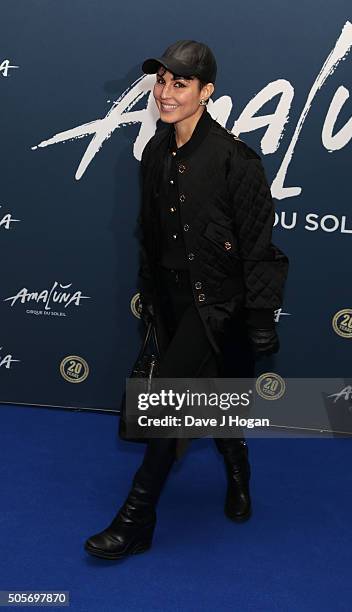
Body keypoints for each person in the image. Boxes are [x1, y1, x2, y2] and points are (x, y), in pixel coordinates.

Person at [84, 40, 289, 560]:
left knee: (171, 405)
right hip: (171, 302)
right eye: (161, 82)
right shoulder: (155, 151)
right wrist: (151, 297)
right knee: (209, 398)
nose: (166, 93)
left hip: (217, 304)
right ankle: (237, 465)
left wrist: (261, 316)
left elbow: (259, 246)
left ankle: (135, 519)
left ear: (206, 92)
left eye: (180, 84)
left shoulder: (235, 160)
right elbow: (148, 235)